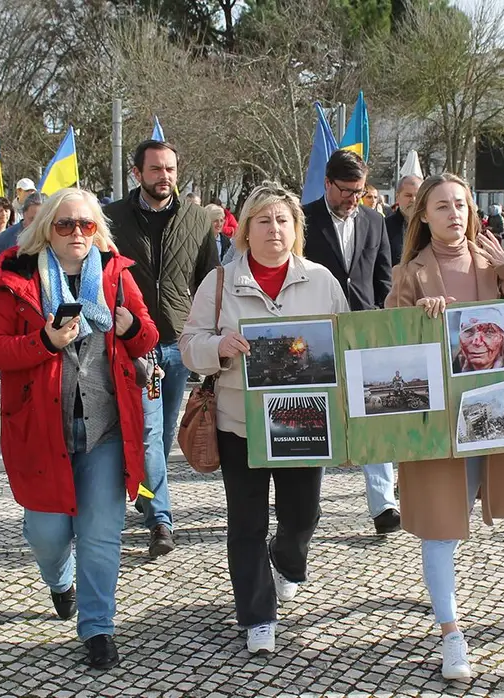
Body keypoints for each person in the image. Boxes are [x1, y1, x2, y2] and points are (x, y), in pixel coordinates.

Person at [0, 188, 159, 670]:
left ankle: (98, 627)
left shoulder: (116, 273)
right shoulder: (16, 276)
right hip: (41, 429)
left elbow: (147, 333)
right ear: (45, 230)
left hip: (106, 430)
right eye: (66, 225)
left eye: (86, 225)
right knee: (48, 534)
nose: (77, 233)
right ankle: (60, 581)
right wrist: (44, 340)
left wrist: (127, 329)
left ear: (98, 229)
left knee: (101, 534)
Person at [179, 183, 348, 655]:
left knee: (303, 514)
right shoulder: (218, 283)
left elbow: (346, 344)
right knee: (246, 523)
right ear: (245, 231)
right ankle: (257, 615)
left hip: (304, 423)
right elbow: (189, 346)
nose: (274, 229)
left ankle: (288, 562)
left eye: (283, 221)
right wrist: (219, 348)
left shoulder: (321, 281)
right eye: (263, 220)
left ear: (296, 230)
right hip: (240, 424)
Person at [386, 172, 504, 681]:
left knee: (465, 512)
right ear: (422, 215)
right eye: (442, 205)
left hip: (492, 418)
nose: (454, 213)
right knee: (442, 525)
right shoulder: (410, 273)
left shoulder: (495, 264)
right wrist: (418, 319)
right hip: (436, 423)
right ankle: (451, 631)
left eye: (462, 204)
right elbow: (389, 341)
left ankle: (442, 608)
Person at [104, 140, 218, 557]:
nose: (164, 176)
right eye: (155, 169)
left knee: (165, 433)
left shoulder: (197, 219)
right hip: (136, 344)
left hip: (178, 341)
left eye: (170, 168)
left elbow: (210, 281)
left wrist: (209, 343)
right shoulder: (113, 218)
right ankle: (161, 520)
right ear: (138, 173)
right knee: (151, 434)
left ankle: (147, 488)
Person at [301, 149, 400, 535]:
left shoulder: (375, 221)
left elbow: (384, 276)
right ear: (327, 184)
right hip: (317, 333)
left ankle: (384, 505)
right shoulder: (303, 220)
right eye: (345, 190)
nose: (353, 198)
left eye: (359, 191)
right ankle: (307, 503)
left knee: (373, 414)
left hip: (364, 330)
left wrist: (381, 319)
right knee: (317, 418)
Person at [450, 305, 504, 374]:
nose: (476, 342)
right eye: (468, 331)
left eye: (489, 332)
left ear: (503, 338)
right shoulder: (450, 369)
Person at [0, 191, 45, 266]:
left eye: (42, 220)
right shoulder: (6, 238)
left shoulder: (55, 238)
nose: (37, 224)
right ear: (24, 214)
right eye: (32, 219)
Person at [384, 175, 422, 267]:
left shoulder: (432, 226)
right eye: (408, 195)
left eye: (417, 196)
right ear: (397, 197)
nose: (413, 200)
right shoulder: (384, 227)